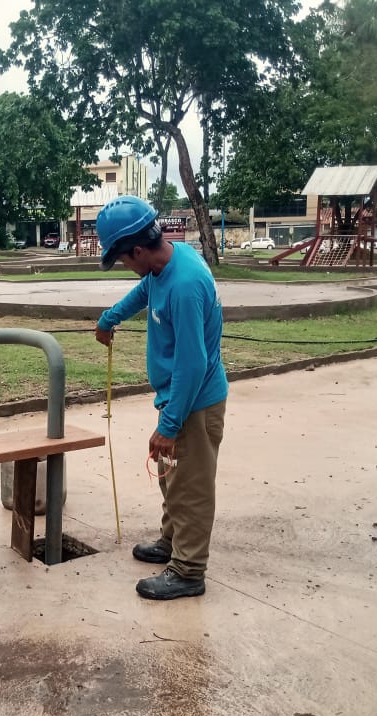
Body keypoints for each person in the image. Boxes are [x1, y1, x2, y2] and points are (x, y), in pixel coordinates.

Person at [93, 195, 228, 600]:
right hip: (178, 397)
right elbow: (144, 291)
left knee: (191, 487)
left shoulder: (186, 285)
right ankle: (173, 543)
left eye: (122, 259)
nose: (125, 267)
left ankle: (188, 571)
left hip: (194, 402)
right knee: (173, 479)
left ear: (137, 250)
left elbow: (193, 364)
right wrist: (109, 317)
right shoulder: (166, 262)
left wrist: (169, 425)